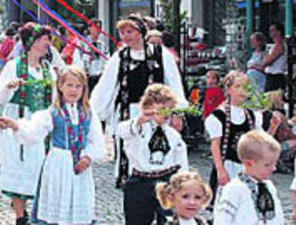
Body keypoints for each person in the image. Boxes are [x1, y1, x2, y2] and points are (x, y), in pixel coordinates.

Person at [0, 66, 106, 225]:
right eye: (69, 85)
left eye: (78, 86)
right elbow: (34, 131)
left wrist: (88, 157)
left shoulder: (89, 113)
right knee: (58, 200)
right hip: (58, 165)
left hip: (81, 167)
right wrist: (15, 125)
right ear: (60, 86)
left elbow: (97, 141)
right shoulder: (53, 112)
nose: (73, 90)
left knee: (79, 205)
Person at [91, 14, 187, 189]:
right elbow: (107, 85)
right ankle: (132, 183)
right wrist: (94, 112)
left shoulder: (160, 54)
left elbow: (173, 82)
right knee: (130, 147)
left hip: (158, 112)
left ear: (141, 32)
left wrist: (177, 111)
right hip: (130, 112)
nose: (125, 36)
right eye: (122, 33)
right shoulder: (120, 57)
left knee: (157, 144)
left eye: (129, 31)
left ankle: (159, 177)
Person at [0, 23, 57, 225]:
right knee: (18, 163)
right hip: (18, 119)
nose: (49, 43)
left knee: (40, 165)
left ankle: (39, 211)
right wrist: (7, 87)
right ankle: (20, 215)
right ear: (33, 42)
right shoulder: (14, 66)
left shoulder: (48, 69)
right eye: (45, 39)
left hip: (41, 123)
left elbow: (54, 98)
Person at [117, 84, 189, 225]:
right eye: (162, 109)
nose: (166, 114)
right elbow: (121, 131)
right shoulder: (136, 129)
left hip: (166, 180)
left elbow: (181, 160)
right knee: (136, 220)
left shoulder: (173, 135)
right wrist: (141, 119)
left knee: (170, 220)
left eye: (169, 110)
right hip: (140, 181)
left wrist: (183, 182)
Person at [205, 71, 263, 206]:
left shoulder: (252, 116)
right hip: (227, 165)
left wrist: (273, 127)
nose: (242, 91)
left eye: (245, 87)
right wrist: (220, 169)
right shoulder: (219, 115)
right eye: (238, 87)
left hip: (247, 168)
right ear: (228, 89)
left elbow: (260, 142)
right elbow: (215, 144)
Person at [215, 130, 285, 224]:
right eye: (267, 165)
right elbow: (222, 220)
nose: (274, 168)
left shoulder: (269, 186)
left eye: (275, 163)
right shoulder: (234, 189)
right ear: (248, 163)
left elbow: (277, 216)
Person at [260, 23, 287, 93]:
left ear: (279, 32)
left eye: (272, 30)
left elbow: (268, 61)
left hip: (275, 76)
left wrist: (266, 59)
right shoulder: (274, 46)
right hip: (272, 76)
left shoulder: (279, 45)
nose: (270, 32)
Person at [83, 20, 108, 92]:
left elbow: (106, 60)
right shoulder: (82, 44)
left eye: (99, 27)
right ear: (89, 28)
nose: (98, 30)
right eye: (96, 27)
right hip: (88, 78)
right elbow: (79, 61)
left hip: (99, 77)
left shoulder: (102, 45)